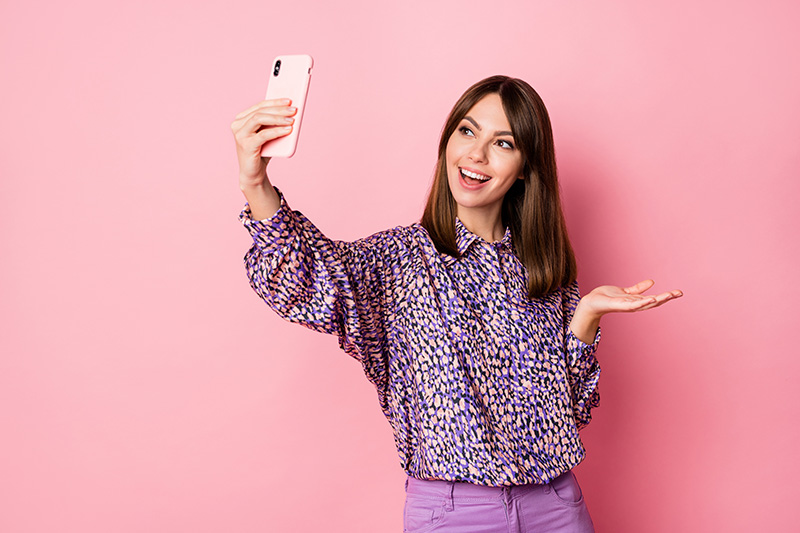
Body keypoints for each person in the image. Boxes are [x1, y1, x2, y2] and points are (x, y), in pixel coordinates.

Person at [231, 75, 682, 532]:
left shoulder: (545, 274)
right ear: (447, 141)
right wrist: (256, 182)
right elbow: (307, 281)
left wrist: (585, 317)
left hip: (556, 505)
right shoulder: (399, 260)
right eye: (467, 131)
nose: (477, 155)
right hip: (454, 512)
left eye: (503, 142)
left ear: (526, 166)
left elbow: (571, 412)